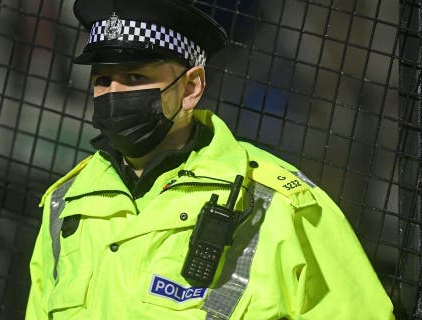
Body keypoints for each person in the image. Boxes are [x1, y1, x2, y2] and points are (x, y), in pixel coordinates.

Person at [26, 0, 394, 319]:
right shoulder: (65, 204)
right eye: (103, 80)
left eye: (135, 77)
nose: (114, 93)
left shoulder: (278, 204)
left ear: (191, 88)